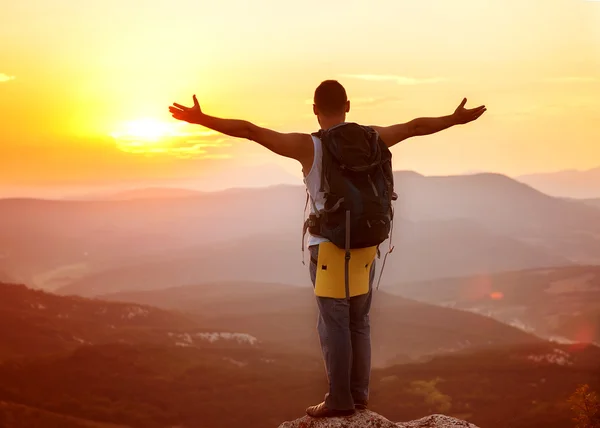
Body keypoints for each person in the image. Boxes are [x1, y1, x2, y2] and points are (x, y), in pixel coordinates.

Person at [168, 80, 486, 418]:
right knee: (359, 321)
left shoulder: (310, 147)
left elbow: (249, 130)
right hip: (368, 243)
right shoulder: (372, 137)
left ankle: (338, 400)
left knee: (333, 323)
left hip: (331, 247)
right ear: (348, 105)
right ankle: (358, 396)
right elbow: (415, 126)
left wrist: (202, 120)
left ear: (315, 109)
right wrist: (455, 119)